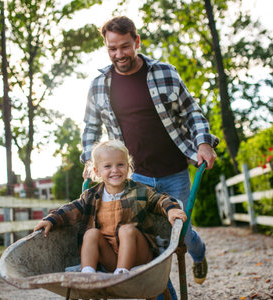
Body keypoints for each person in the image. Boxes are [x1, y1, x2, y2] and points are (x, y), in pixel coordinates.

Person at [80, 16, 219, 284]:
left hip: (173, 170)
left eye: (124, 46)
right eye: (112, 48)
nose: (119, 54)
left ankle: (198, 254)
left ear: (137, 41)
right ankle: (162, 292)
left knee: (180, 230)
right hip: (134, 176)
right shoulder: (99, 85)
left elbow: (191, 110)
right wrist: (89, 159)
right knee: (147, 241)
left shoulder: (163, 72)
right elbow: (90, 128)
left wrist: (203, 143)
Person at [34, 140, 187, 274]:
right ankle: (88, 274)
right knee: (91, 233)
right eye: (107, 166)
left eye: (120, 164)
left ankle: (122, 273)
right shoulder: (91, 196)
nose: (115, 170)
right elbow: (69, 210)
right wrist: (51, 220)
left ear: (127, 167)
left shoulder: (140, 190)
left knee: (126, 230)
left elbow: (160, 200)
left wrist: (171, 209)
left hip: (139, 255)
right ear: (96, 171)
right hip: (110, 258)